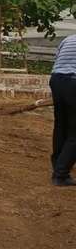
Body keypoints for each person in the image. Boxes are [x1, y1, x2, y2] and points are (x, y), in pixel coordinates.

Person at [49, 34, 76, 187]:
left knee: (61, 126)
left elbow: (57, 60)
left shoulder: (68, 39)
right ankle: (60, 175)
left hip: (57, 81)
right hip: (73, 83)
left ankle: (58, 162)